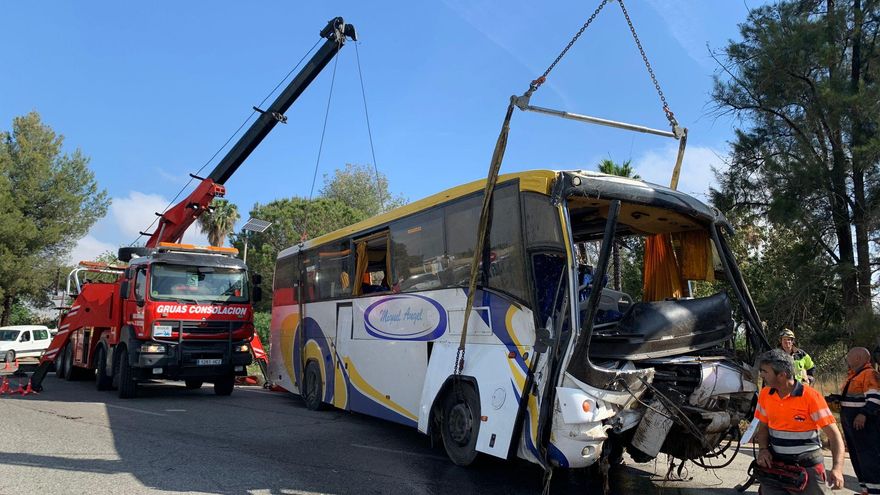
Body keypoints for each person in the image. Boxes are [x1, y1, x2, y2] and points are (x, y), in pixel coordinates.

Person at [753, 348, 844, 494]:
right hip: (776, 468)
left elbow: (834, 436)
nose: (761, 375)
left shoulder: (811, 397)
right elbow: (763, 427)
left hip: (808, 469)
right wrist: (763, 450)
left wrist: (837, 469)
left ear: (782, 375)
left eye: (765, 371)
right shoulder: (765, 394)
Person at [839, 347, 880, 495]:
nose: (847, 359)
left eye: (849, 356)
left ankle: (875, 490)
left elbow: (875, 398)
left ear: (858, 358)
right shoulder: (852, 376)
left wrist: (864, 414)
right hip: (851, 426)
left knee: (869, 458)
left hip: (865, 426)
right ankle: (865, 490)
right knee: (857, 458)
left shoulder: (869, 374)